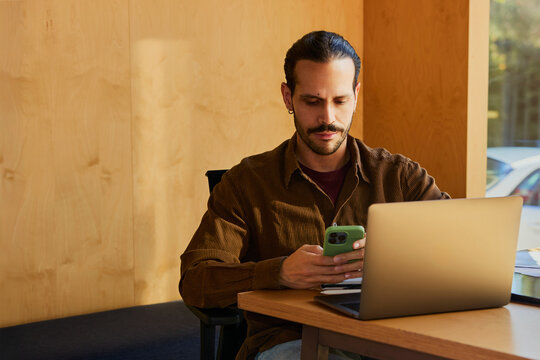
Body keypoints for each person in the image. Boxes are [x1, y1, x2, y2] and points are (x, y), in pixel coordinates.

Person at [179, 30, 450, 360]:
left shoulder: (400, 177)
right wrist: (279, 272)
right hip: (290, 343)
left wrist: (396, 257)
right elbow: (195, 280)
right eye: (312, 101)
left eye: (340, 101)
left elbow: (457, 252)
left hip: (388, 340)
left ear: (356, 95)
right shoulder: (246, 183)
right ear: (288, 97)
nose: (328, 118)